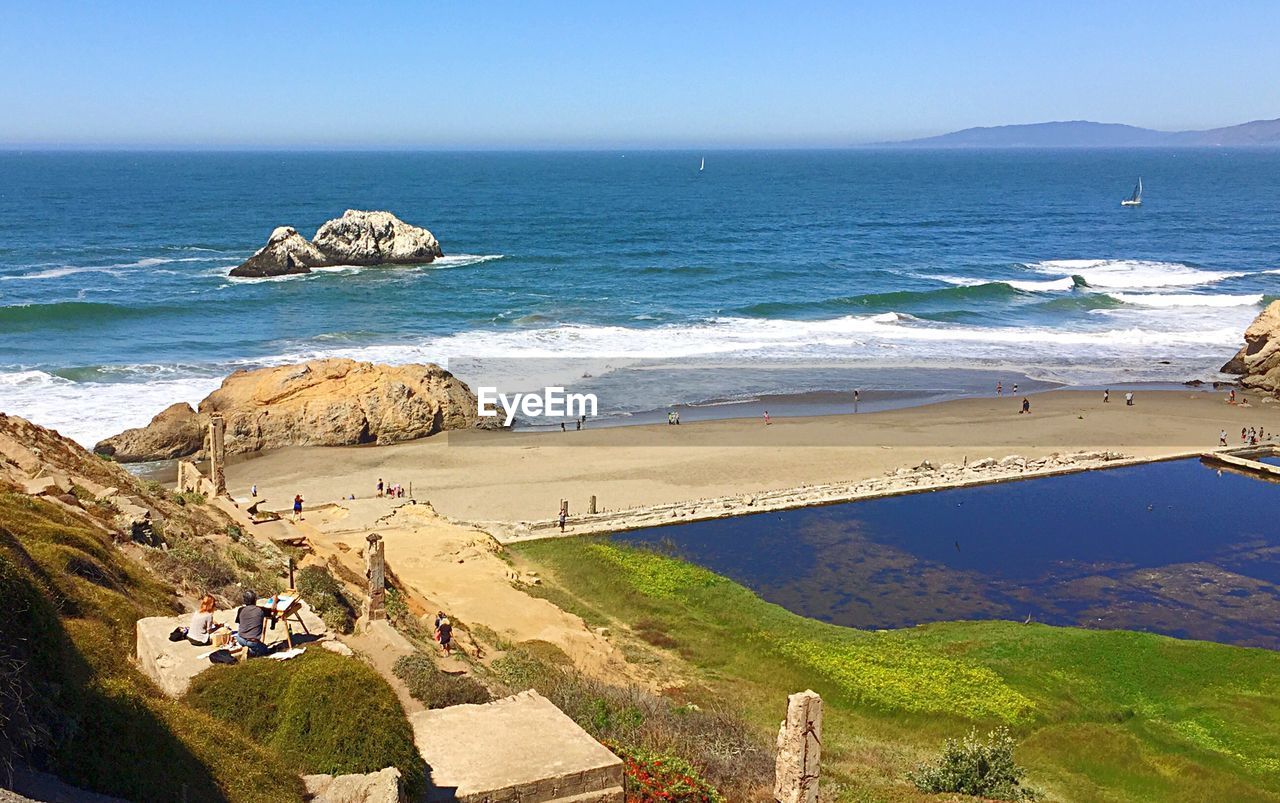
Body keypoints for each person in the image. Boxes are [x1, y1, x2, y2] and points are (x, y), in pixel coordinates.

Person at [234, 590, 272, 657]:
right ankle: (250, 652)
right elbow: (272, 610)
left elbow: (239, 622)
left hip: (240, 638)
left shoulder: (241, 609)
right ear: (255, 600)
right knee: (265, 650)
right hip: (253, 641)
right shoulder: (261, 610)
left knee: (259, 646)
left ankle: (246, 647)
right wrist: (275, 600)